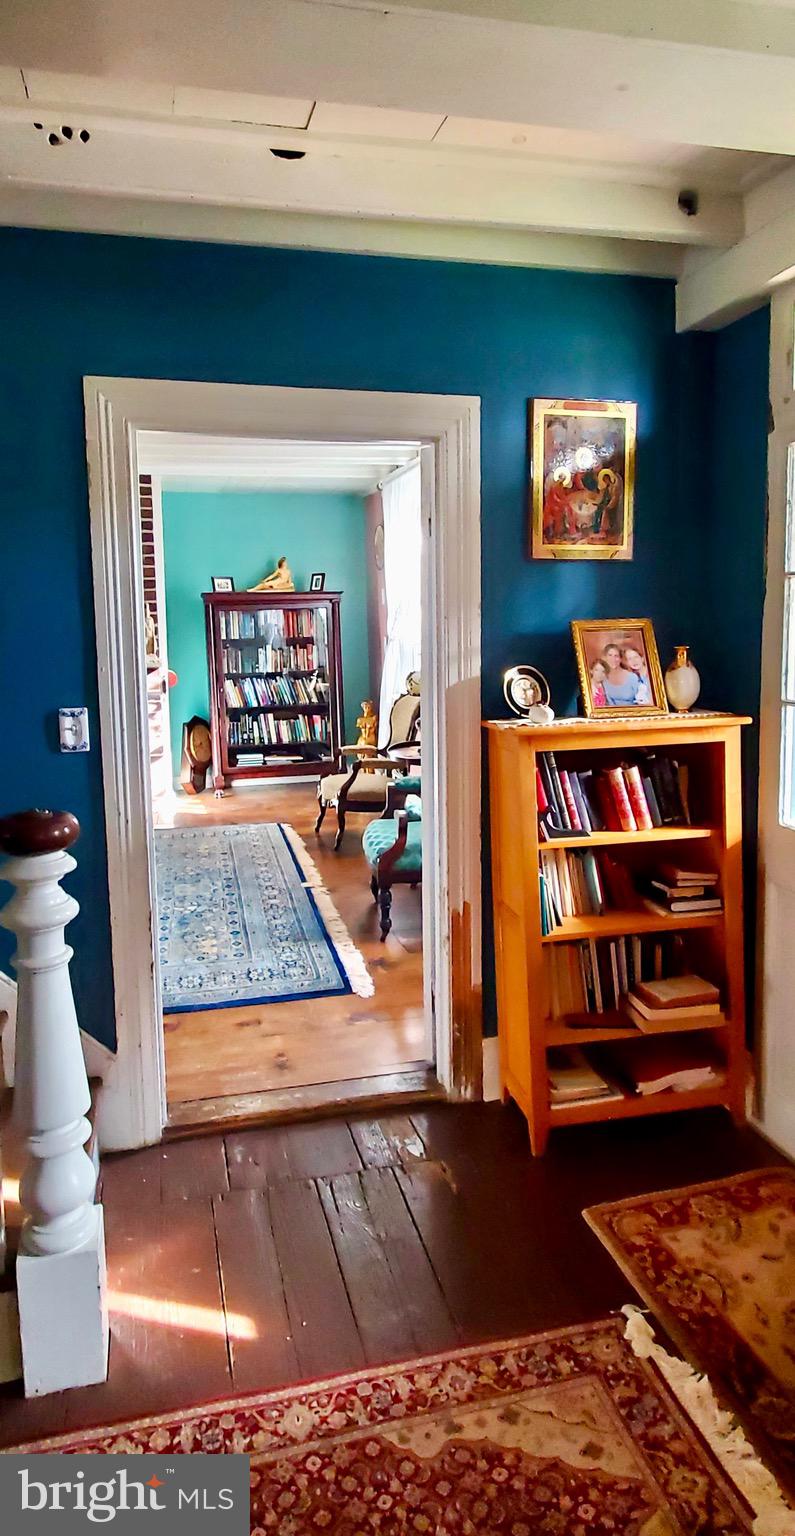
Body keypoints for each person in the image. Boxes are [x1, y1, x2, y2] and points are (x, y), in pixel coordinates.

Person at [601, 642, 640, 707]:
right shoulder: (603, 679)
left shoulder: (632, 677)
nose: (613, 659)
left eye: (616, 656)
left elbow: (642, 702)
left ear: (620, 659)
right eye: (610, 655)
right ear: (605, 658)